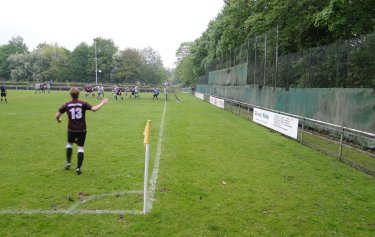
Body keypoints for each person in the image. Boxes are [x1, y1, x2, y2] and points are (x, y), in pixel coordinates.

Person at [55, 87, 108, 175]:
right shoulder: (83, 103)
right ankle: (78, 168)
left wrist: (59, 120)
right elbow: (94, 109)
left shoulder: (66, 104)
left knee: (69, 144)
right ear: (78, 94)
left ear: (70, 95)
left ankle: (68, 163)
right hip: (82, 129)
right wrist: (102, 103)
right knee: (80, 147)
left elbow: (57, 115)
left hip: (71, 129)